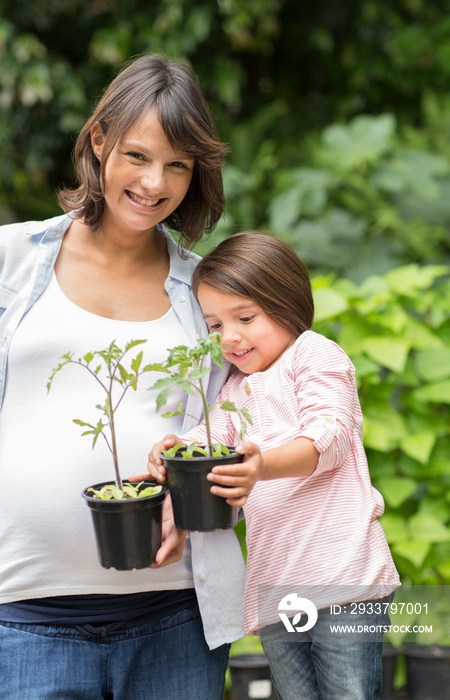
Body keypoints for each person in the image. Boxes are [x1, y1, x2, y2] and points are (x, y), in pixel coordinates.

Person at [0, 54, 246, 700]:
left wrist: (206, 493)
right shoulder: (9, 261)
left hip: (176, 618)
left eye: (178, 165)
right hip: (24, 613)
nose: (155, 183)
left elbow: (235, 420)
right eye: (137, 155)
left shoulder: (204, 290)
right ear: (99, 141)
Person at [148, 232, 401, 700]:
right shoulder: (237, 387)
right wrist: (174, 449)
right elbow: (213, 436)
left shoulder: (314, 354)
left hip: (343, 580)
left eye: (245, 317)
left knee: (349, 692)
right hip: (277, 587)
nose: (230, 337)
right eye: (215, 325)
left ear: (288, 303)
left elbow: (330, 437)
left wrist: (260, 464)